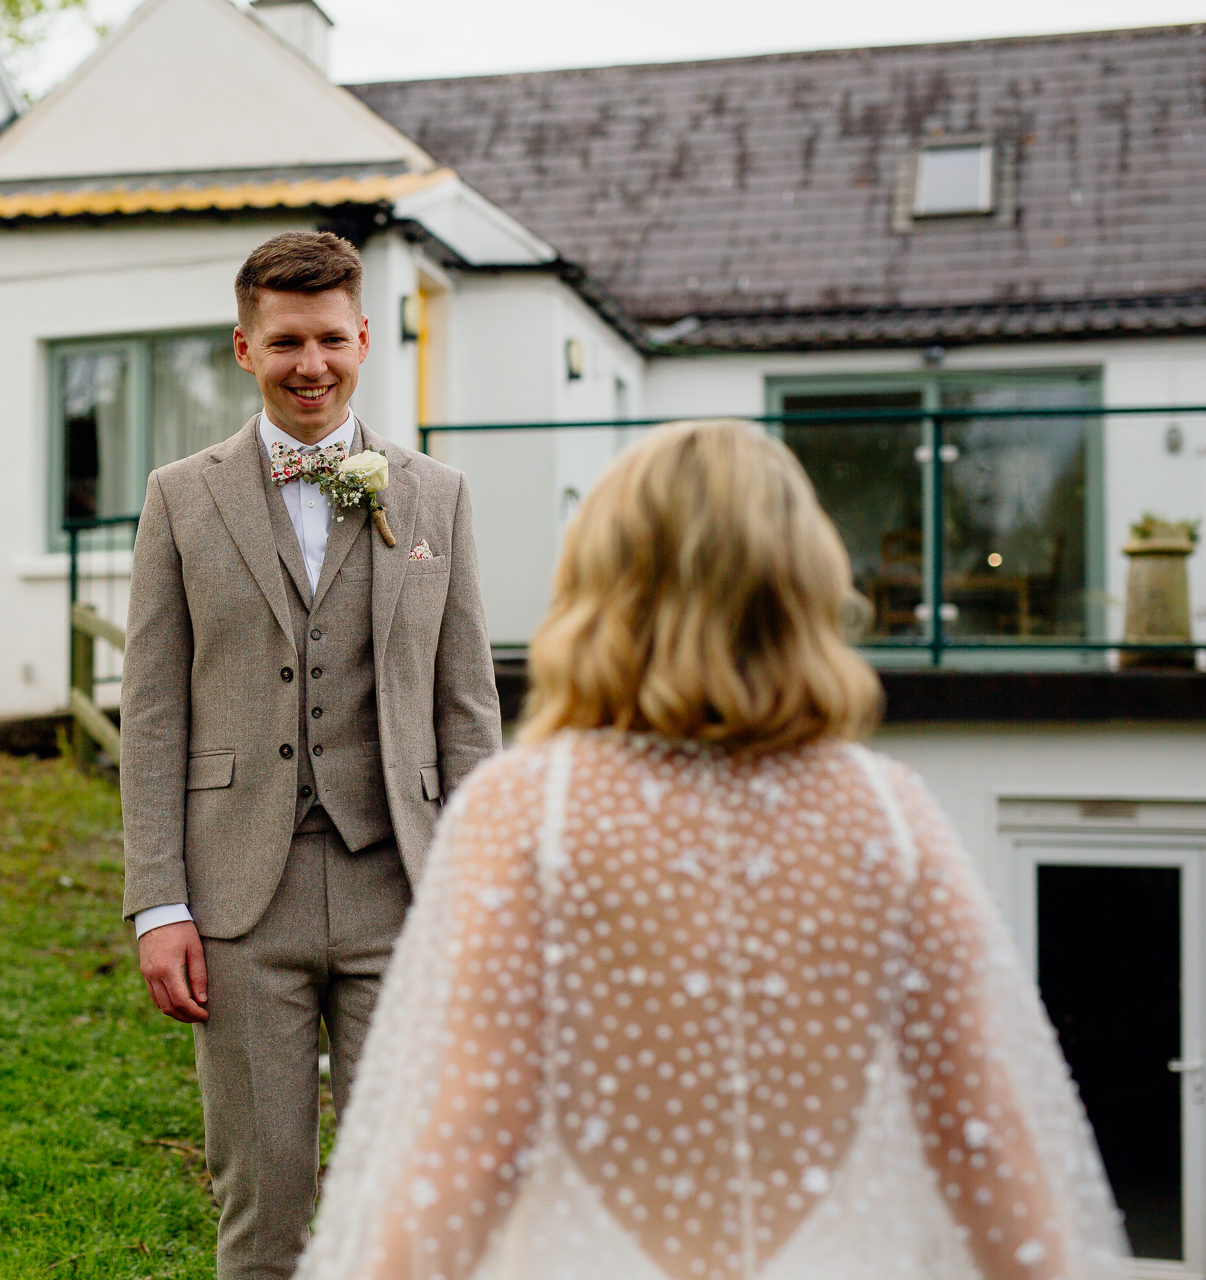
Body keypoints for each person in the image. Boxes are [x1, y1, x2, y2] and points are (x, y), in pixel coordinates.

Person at [297, 420, 1129, 1280]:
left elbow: (468, 1147)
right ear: (803, 583)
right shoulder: (891, 817)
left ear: (601, 578)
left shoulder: (528, 813)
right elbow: (986, 1146)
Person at [120, 230, 503, 1280]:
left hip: (403, 887)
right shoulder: (179, 496)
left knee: (410, 1194)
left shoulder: (438, 494)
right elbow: (151, 712)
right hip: (240, 897)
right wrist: (159, 902)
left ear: (366, 338)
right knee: (263, 1196)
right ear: (245, 347)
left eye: (332, 337)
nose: (312, 364)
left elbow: (467, 709)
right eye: (286, 341)